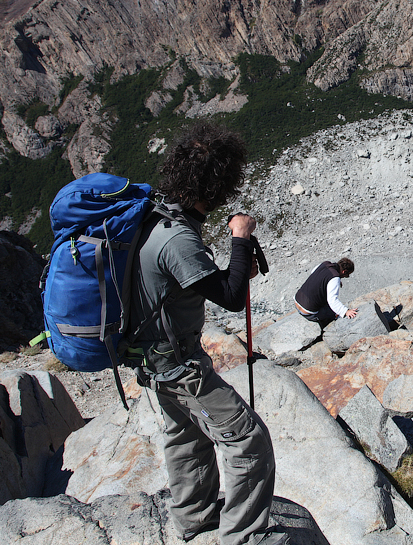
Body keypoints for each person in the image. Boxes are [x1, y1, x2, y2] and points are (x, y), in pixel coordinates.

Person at [127, 122, 287, 545]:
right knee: (249, 440)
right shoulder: (179, 237)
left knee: (185, 437)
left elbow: (203, 284)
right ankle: (243, 536)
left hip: (153, 360)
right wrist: (240, 237)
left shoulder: (155, 216)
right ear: (217, 184)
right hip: (181, 365)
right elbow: (232, 299)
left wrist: (235, 270)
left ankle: (194, 520)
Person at [293, 257, 358, 326]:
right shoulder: (334, 277)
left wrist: (331, 280)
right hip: (309, 312)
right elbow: (332, 300)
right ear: (344, 271)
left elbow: (314, 272)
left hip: (297, 300)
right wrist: (345, 311)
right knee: (334, 313)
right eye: (347, 275)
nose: (346, 277)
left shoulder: (325, 264)